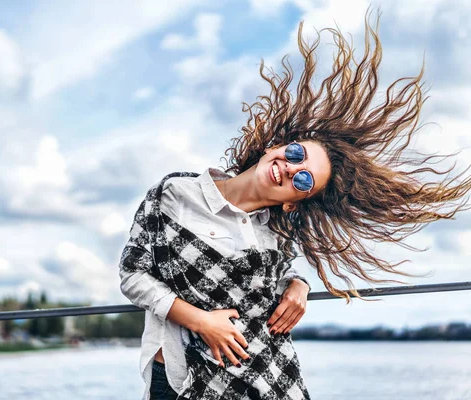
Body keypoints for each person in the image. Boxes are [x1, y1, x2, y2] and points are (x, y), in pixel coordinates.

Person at [119, 9, 471, 400]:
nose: (290, 169)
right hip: (181, 375)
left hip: (268, 375)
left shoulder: (276, 232)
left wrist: (298, 285)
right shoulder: (175, 193)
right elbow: (133, 275)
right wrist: (203, 322)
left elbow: (278, 277)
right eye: (296, 153)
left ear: (293, 204)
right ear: (275, 146)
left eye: (304, 179)